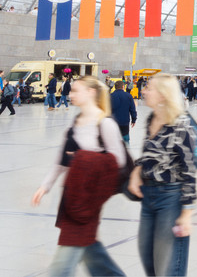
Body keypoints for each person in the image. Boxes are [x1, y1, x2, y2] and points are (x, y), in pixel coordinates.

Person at [31, 76, 126, 277]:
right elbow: (60, 160)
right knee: (90, 249)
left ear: (91, 92)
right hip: (71, 195)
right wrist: (44, 186)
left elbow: (119, 161)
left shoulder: (105, 123)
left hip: (89, 198)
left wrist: (82, 158)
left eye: (75, 91)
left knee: (65, 258)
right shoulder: (74, 125)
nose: (71, 94)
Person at [127, 74, 196, 276]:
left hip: (171, 197)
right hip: (149, 196)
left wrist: (186, 214)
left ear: (164, 95)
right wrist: (137, 171)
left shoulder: (181, 124)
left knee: (168, 265)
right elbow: (150, 153)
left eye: (149, 88)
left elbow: (190, 170)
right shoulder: (152, 118)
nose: (144, 91)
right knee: (147, 256)